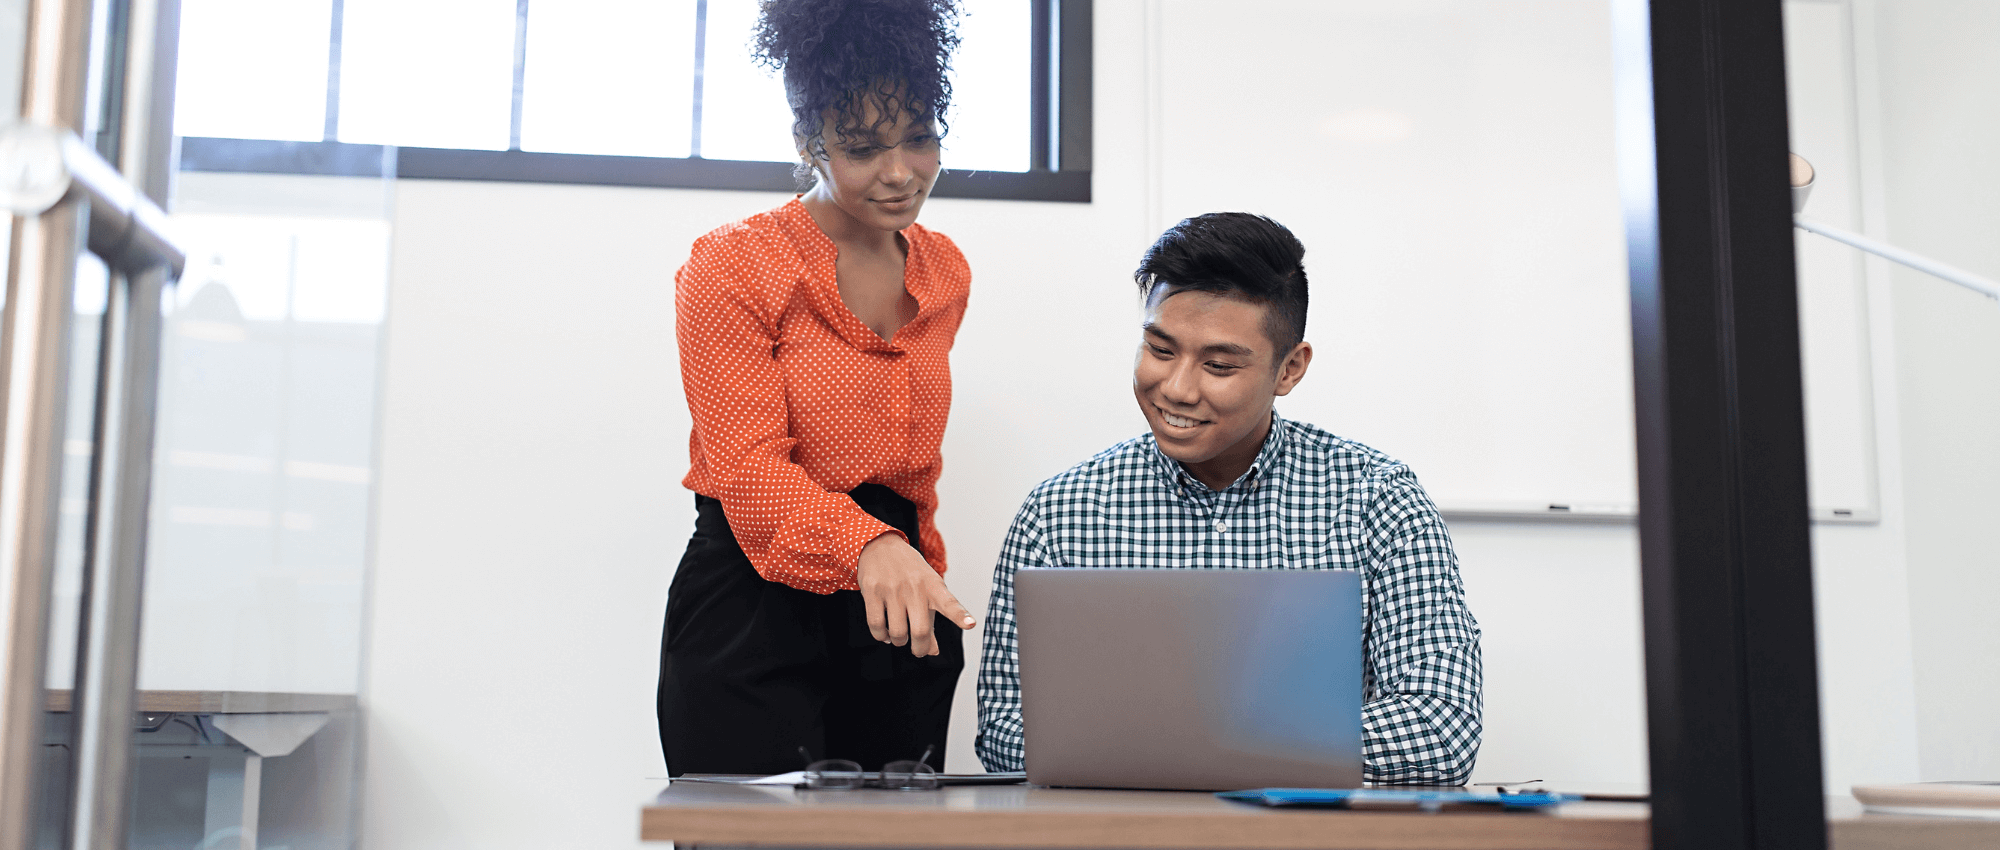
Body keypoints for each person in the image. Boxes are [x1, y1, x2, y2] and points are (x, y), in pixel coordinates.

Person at [974, 213, 1485, 784]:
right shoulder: (1061, 512)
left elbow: (1442, 727)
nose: (1177, 388)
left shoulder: (1376, 499)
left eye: (1218, 365)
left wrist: (1188, 745)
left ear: (1289, 369)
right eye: (1160, 350)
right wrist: (1268, 747)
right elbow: (1005, 729)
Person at [659, 0, 975, 776]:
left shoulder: (944, 272)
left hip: (895, 606)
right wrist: (870, 544)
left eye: (920, 138)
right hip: (754, 605)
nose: (900, 172)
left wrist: (916, 560)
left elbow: (912, 469)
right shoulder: (734, 265)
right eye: (863, 147)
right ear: (809, 142)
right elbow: (746, 469)